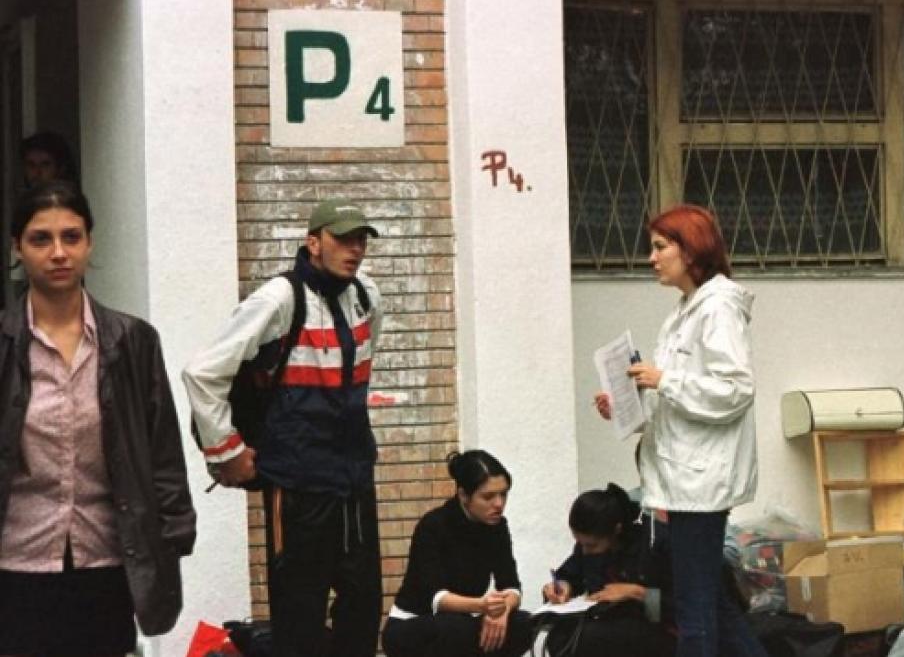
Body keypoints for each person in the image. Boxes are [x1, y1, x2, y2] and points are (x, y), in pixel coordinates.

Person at [0, 180, 196, 656]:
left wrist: (172, 536)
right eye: (41, 239)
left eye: (71, 236)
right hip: (16, 564)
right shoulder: (5, 344)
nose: (58, 252)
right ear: (17, 249)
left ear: (90, 242)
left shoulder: (132, 341)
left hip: (108, 559)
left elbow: (161, 450)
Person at [183, 199, 384, 657]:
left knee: (361, 618)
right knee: (300, 623)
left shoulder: (368, 295)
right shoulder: (280, 298)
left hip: (354, 481)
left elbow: (359, 373)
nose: (354, 249)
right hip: (297, 486)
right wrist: (226, 450)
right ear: (313, 242)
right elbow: (202, 372)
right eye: (342, 238)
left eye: (361, 240)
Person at [595, 204, 766, 657]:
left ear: (691, 250)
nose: (651, 258)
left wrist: (663, 380)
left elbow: (735, 389)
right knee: (709, 602)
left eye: (660, 246)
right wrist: (624, 408)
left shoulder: (718, 308)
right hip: (680, 479)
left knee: (695, 612)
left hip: (699, 483)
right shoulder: (684, 311)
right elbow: (680, 405)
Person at [382, 450, 533, 657]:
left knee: (523, 623)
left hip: (463, 620)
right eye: (488, 496)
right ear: (463, 495)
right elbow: (436, 597)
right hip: (414, 623)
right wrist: (483, 606)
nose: (499, 504)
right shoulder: (433, 525)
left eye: (503, 494)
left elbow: (511, 586)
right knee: (456, 628)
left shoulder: (497, 527)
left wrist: (502, 610)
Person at [541, 484, 675, 657]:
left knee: (588, 639)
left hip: (655, 627)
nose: (585, 551)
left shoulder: (655, 542)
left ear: (616, 530)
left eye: (591, 545)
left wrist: (637, 593)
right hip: (608, 620)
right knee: (559, 637)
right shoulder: (589, 544)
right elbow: (570, 573)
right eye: (580, 543)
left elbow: (681, 607)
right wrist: (561, 586)